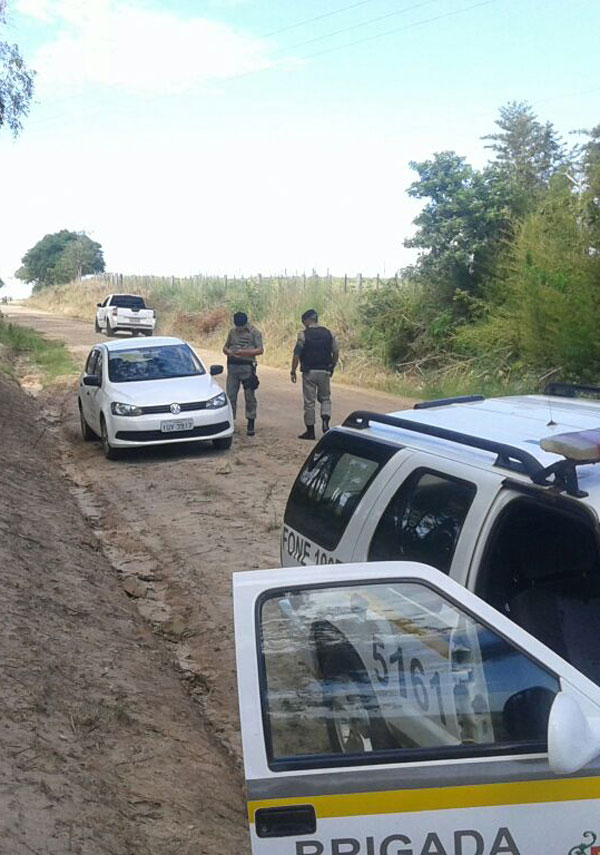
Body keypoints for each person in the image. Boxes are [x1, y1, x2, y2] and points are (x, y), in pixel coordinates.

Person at [290, 309, 339, 440]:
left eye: (303, 321)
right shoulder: (329, 333)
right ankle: (325, 421)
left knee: (309, 402)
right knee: (325, 398)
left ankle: (310, 431)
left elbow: (297, 354)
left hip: (309, 371)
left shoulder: (303, 335)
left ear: (307, 320)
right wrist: (332, 366)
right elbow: (336, 352)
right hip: (324, 370)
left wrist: (293, 370)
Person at [223, 311, 264, 436]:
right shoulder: (232, 332)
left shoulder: (254, 332)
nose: (239, 329)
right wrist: (229, 352)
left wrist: (244, 352)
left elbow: (260, 350)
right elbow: (224, 347)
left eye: (240, 326)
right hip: (233, 367)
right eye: (237, 326)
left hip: (247, 368)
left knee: (249, 396)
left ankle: (250, 421)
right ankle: (231, 422)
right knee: (230, 396)